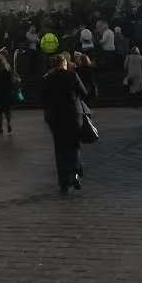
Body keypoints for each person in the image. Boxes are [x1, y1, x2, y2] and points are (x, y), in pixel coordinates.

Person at [43, 54, 88, 195]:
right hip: (73, 115)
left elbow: (42, 98)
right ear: (64, 63)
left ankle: (63, 183)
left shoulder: (48, 78)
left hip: (56, 116)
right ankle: (74, 173)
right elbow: (84, 92)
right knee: (74, 146)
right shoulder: (72, 75)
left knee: (60, 149)